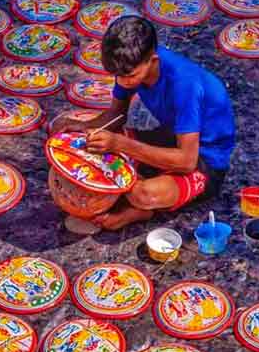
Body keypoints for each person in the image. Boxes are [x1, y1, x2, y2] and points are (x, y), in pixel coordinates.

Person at [51, 16, 236, 230]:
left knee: (142, 194)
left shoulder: (185, 86)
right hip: (167, 136)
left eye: (129, 76)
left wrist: (119, 144)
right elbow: (117, 114)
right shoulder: (130, 65)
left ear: (153, 61)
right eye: (116, 75)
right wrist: (85, 128)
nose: (122, 82)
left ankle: (144, 210)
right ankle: (136, 179)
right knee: (73, 140)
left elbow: (187, 161)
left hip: (204, 159)